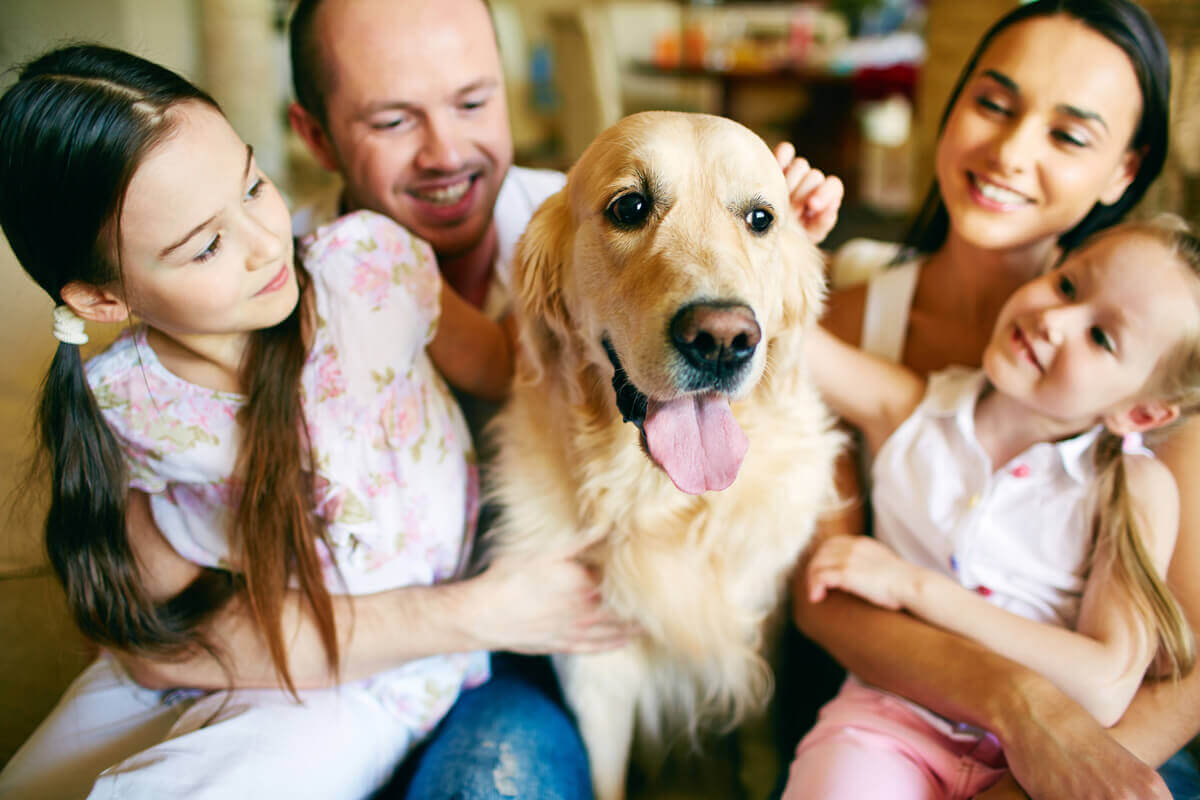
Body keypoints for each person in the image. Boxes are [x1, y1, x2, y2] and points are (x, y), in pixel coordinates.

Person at [0, 44, 634, 799]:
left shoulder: (370, 268)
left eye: (253, 186)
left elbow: (509, 368)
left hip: (377, 680)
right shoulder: (126, 407)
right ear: (105, 301)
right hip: (231, 659)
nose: (266, 243)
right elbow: (165, 644)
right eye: (206, 246)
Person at [284, 0, 844, 795]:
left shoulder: (562, 207)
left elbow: (797, 326)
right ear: (316, 135)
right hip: (397, 671)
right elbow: (168, 622)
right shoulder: (274, 293)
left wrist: (775, 245)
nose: (446, 150)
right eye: (392, 119)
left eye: (473, 102)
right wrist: (477, 615)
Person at [787, 1, 1200, 798]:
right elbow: (823, 597)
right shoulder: (867, 342)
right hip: (892, 719)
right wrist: (1020, 707)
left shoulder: (1160, 358)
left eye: (1068, 135)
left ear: (1124, 170)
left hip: (1117, 749)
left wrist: (1035, 771)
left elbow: (1182, 669)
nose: (1010, 151)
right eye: (994, 103)